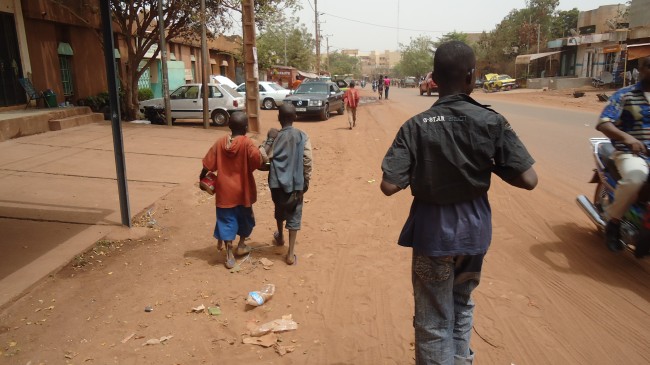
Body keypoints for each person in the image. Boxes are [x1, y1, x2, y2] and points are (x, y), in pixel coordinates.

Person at [379, 41, 537, 365]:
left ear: (433, 78)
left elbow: (388, 185)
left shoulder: (415, 126)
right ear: (472, 77)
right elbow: (529, 179)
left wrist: (424, 166)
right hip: (473, 237)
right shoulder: (491, 121)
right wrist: (487, 162)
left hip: (433, 237)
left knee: (433, 320)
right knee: (462, 305)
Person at [596, 55, 650, 253]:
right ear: (642, 69)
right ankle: (614, 221)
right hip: (632, 153)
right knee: (636, 178)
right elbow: (604, 122)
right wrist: (628, 138)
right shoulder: (625, 95)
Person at [200, 112, 263, 269]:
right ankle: (241, 244)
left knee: (226, 220)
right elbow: (257, 161)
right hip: (243, 191)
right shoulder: (247, 143)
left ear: (229, 126)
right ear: (246, 128)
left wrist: (201, 179)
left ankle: (229, 254)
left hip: (224, 192)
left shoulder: (220, 142)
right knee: (246, 219)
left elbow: (207, 164)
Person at [261, 104, 313, 265]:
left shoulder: (275, 136)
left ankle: (280, 237)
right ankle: (290, 254)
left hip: (276, 184)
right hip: (296, 184)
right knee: (295, 214)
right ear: (295, 118)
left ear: (279, 118)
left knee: (279, 207)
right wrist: (306, 180)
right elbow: (307, 160)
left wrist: (269, 140)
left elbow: (262, 155)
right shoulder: (302, 136)